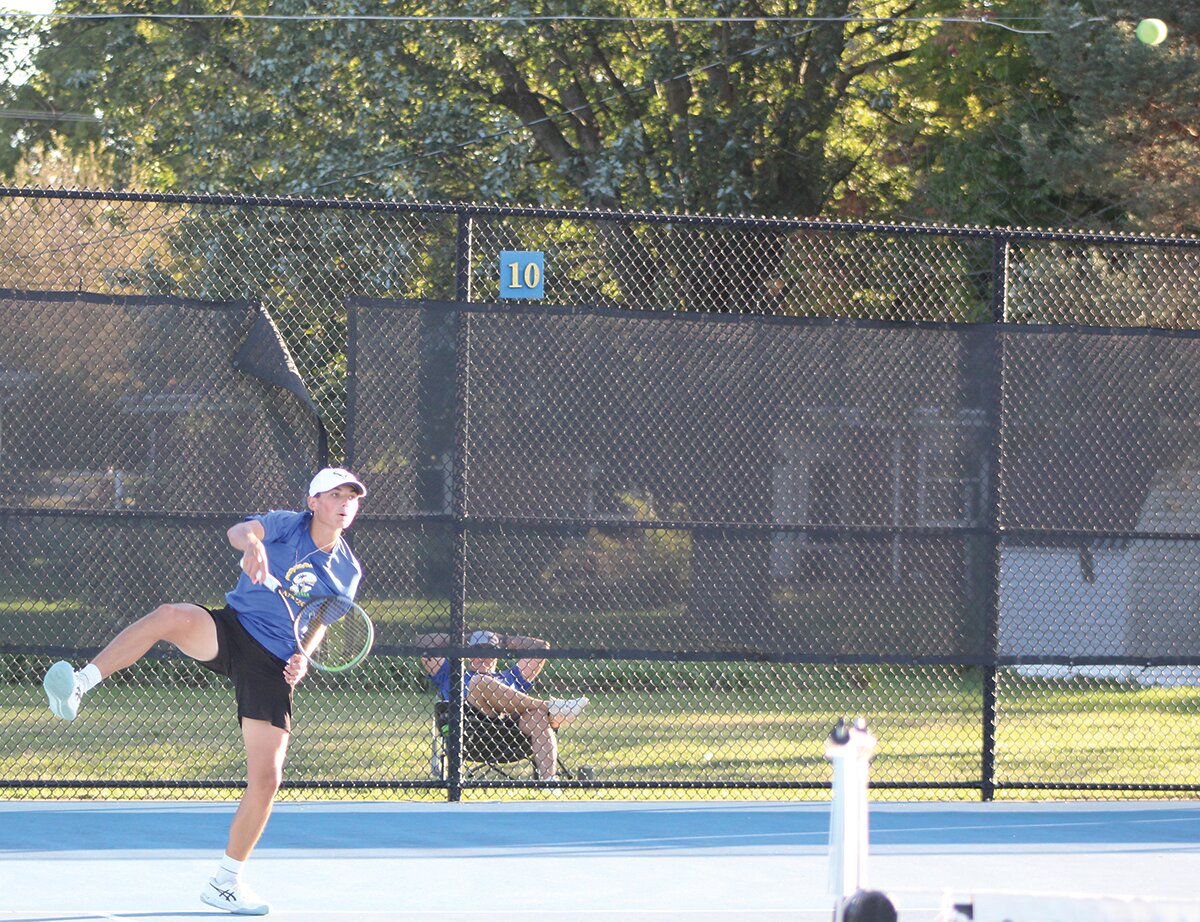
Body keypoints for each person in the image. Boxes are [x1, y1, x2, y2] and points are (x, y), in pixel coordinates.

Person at [42, 467, 367, 916]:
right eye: (335, 495)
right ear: (313, 502)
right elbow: (239, 530)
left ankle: (225, 882)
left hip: (273, 664)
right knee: (170, 615)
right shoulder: (283, 523)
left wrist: (304, 655)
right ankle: (80, 684)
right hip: (232, 630)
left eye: (351, 497)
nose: (345, 504)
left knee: (267, 779)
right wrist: (253, 544)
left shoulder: (347, 569)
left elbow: (323, 617)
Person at [417, 628, 587, 782]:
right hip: (473, 729)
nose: (483, 657)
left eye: (489, 652)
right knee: (479, 682)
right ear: (467, 654)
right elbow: (424, 644)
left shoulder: (512, 676)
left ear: (498, 655)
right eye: (476, 651)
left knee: (537, 716)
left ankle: (549, 781)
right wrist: (463, 638)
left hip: (512, 731)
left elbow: (541, 648)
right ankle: (550, 707)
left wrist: (504, 640)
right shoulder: (451, 674)